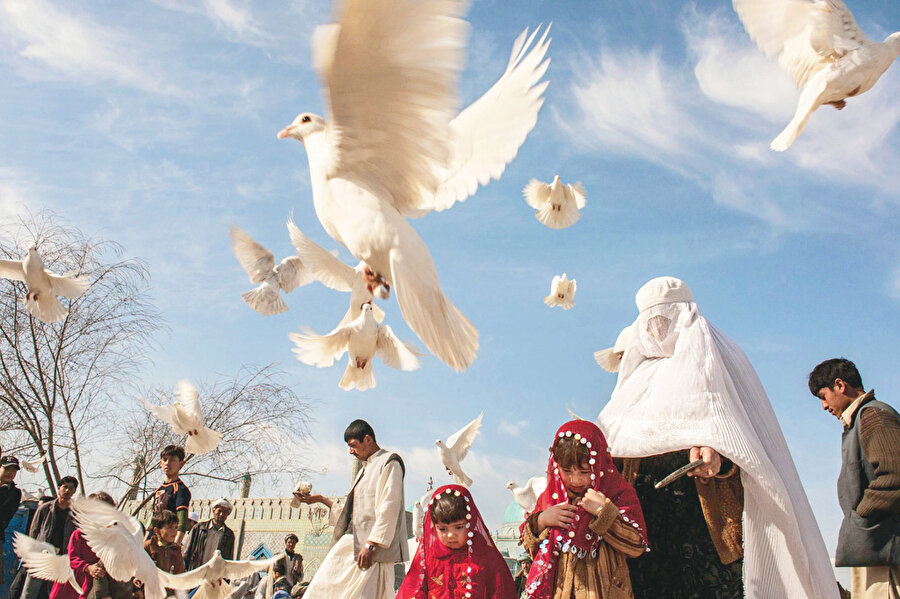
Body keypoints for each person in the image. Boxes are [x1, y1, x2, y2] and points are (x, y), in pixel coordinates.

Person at [597, 276, 839, 599]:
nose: (657, 330)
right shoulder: (633, 377)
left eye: (664, 318)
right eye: (650, 320)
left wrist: (719, 459)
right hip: (647, 526)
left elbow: (747, 443)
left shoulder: (719, 360)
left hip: (707, 530)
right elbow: (614, 444)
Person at [519, 420, 646, 599]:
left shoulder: (617, 493)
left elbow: (636, 546)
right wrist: (541, 521)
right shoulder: (550, 498)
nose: (575, 480)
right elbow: (530, 549)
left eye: (584, 472)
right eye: (567, 471)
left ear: (599, 464)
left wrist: (604, 513)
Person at [808, 358, 900, 599]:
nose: (824, 406)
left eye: (823, 396)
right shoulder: (859, 421)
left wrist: (861, 515)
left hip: (885, 550)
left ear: (840, 385)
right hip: (874, 547)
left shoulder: (873, 416)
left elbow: (894, 475)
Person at [297, 419, 408, 599]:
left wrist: (371, 544)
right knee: (320, 591)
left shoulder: (389, 462)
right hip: (350, 546)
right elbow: (354, 514)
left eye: (353, 446)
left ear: (368, 440)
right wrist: (321, 500)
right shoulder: (365, 469)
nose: (351, 451)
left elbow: (390, 506)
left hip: (370, 553)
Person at [398, 484, 517, 599]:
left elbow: (502, 591)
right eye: (443, 529)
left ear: (471, 522)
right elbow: (412, 590)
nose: (450, 535)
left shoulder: (485, 557)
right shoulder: (429, 557)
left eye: (458, 527)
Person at [48, 492, 120, 599]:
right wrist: (88, 568)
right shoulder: (79, 534)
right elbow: (72, 557)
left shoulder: (110, 537)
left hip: (94, 581)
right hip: (74, 581)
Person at [21, 476, 79, 599]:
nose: (67, 491)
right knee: (30, 591)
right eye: (65, 487)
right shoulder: (45, 508)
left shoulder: (76, 513)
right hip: (42, 555)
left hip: (62, 557)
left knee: (53, 592)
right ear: (59, 488)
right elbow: (34, 531)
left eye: (71, 488)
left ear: (74, 491)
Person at [149, 445, 191, 546]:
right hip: (154, 539)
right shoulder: (158, 490)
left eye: (172, 460)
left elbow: (182, 521)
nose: (168, 463)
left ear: (181, 464)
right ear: (161, 463)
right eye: (165, 459)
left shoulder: (180, 490)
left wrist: (175, 546)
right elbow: (153, 520)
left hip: (168, 542)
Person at [182, 498, 235, 569]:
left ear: (228, 514)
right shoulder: (199, 528)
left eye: (225, 512)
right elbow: (186, 552)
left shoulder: (228, 535)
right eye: (219, 511)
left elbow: (228, 559)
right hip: (196, 570)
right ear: (213, 511)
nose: (221, 514)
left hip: (214, 574)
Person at [144, 509, 186, 575]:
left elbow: (180, 574)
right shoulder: (148, 547)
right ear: (156, 530)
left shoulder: (176, 551)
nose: (174, 531)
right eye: (170, 527)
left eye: (176, 527)